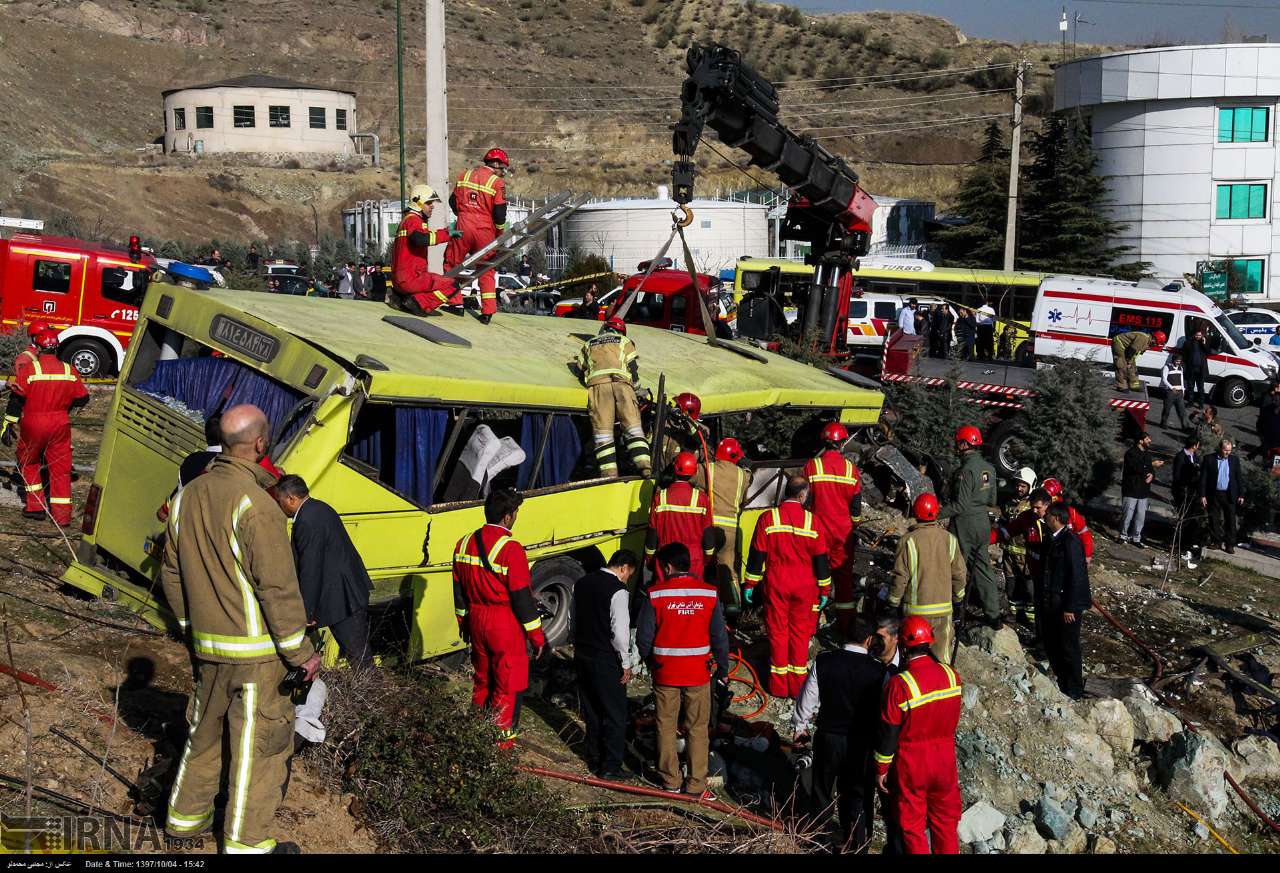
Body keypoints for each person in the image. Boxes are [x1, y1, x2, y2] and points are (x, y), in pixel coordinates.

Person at [160, 404, 321, 854]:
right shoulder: (258, 506)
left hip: (208, 650)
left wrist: (193, 628)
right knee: (259, 754)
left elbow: (170, 576)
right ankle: (247, 844)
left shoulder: (186, 496)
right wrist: (301, 654)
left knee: (203, 739)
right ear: (260, 444)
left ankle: (183, 823)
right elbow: (278, 588)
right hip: (256, 659)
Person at [452, 488, 547, 748]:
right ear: (507, 517)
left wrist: (464, 623)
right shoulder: (511, 550)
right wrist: (537, 637)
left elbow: (458, 591)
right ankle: (498, 751)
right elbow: (522, 599)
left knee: (482, 680)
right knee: (506, 686)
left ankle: (474, 735)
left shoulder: (463, 542)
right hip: (503, 625)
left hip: (476, 620)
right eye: (515, 512)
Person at [635, 542, 730, 799]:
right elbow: (719, 637)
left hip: (666, 673)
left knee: (665, 725)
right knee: (698, 728)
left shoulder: (656, 594)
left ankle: (670, 780)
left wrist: (651, 662)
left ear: (667, 567)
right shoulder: (709, 594)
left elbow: (644, 638)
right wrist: (722, 669)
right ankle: (697, 784)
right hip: (699, 674)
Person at [792, 615, 889, 853]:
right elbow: (884, 711)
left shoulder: (824, 661)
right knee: (857, 793)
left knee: (822, 789)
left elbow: (807, 700)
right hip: (861, 740)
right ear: (868, 639)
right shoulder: (878, 671)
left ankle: (817, 841)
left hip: (828, 735)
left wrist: (800, 727)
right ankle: (856, 844)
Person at [874, 616, 962, 855]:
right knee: (946, 822)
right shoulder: (952, 675)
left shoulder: (900, 684)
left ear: (903, 646)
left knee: (912, 826)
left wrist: (882, 769)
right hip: (944, 760)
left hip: (912, 763)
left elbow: (888, 731)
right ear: (930, 643)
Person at [743, 475, 833, 699]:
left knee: (777, 633)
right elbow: (822, 561)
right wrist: (824, 590)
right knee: (801, 635)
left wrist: (750, 584)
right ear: (802, 495)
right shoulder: (813, 522)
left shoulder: (768, 518)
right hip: (805, 587)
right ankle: (797, 687)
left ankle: (779, 686)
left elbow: (757, 556)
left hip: (776, 585)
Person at [273, 475, 374, 670]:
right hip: (346, 591)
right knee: (358, 654)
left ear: (291, 498)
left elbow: (311, 569)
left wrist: (306, 612)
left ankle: (372, 695)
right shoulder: (318, 508)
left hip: (342, 597)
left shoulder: (307, 521)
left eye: (280, 501)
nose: (279, 506)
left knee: (359, 658)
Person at [3, 330, 89, 525]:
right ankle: (62, 517)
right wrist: (63, 404)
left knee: (29, 462)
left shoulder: (30, 369)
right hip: (60, 423)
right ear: (56, 347)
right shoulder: (69, 370)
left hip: (34, 422)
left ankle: (35, 508)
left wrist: (8, 424)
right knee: (60, 468)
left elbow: (17, 399)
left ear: (39, 348)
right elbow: (83, 398)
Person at [572, 550, 640, 779]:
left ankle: (593, 756)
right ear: (624, 567)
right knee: (615, 713)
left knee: (591, 710)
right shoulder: (618, 591)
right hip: (605, 657)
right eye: (629, 574)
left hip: (582, 653)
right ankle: (610, 765)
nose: (627, 578)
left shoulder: (581, 582)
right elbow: (620, 633)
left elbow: (573, 617)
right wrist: (626, 662)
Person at [888, 494, 967, 665]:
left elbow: (900, 576)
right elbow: (959, 574)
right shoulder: (950, 540)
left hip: (916, 614)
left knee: (913, 661)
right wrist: (959, 600)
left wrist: (893, 603)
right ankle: (944, 687)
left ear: (915, 512)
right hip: (943, 613)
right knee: (942, 661)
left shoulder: (908, 541)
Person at [937, 426, 1001, 629]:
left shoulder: (965, 471)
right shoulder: (989, 469)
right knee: (983, 568)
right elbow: (992, 499)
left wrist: (935, 514)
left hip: (964, 523)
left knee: (956, 568)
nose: (957, 446)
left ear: (965, 444)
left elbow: (960, 505)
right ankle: (993, 615)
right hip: (983, 522)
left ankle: (952, 611)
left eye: (958, 443)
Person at [803, 422, 863, 633]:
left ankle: (809, 627)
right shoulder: (851, 470)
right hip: (842, 533)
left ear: (824, 441)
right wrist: (853, 524)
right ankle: (846, 628)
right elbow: (855, 507)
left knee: (813, 579)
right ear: (842, 443)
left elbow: (805, 500)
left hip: (816, 532)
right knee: (844, 580)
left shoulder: (812, 466)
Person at [578, 318, 651, 478]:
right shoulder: (625, 341)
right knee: (632, 426)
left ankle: (609, 474)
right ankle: (645, 466)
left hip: (598, 388)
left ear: (605, 329)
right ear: (622, 331)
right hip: (622, 385)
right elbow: (633, 368)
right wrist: (637, 388)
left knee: (603, 432)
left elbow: (580, 368)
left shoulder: (589, 343)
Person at [445, 147, 510, 324]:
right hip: (485, 230)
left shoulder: (464, 175)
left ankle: (455, 303)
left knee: (452, 263)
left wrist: (465, 215)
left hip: (463, 224)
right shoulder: (497, 183)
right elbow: (499, 214)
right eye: (503, 167)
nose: (503, 171)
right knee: (486, 268)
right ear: (495, 164)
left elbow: (452, 201)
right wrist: (499, 233)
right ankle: (487, 311)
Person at [691, 437, 753, 610]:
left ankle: (697, 605)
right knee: (728, 571)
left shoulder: (707, 469)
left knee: (700, 565)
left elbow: (689, 475)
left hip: (708, 528)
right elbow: (750, 476)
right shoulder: (743, 475)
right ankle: (733, 607)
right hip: (730, 531)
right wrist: (744, 462)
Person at [1040, 504, 1092, 700]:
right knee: (1053, 643)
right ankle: (1063, 682)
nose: (1044, 517)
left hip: (1066, 605)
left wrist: (1071, 606)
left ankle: (1074, 689)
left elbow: (1077, 576)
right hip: (1053, 602)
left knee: (1069, 647)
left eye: (1048, 514)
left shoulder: (1070, 542)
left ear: (1056, 518)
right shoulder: (1053, 540)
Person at [390, 184, 463, 315]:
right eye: (429, 203)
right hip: (411, 278)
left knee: (433, 281)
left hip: (400, 280)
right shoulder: (414, 220)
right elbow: (419, 239)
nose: (432, 206)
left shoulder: (406, 221)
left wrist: (445, 232)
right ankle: (417, 303)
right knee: (453, 285)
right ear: (418, 203)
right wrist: (447, 234)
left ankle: (402, 298)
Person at [645, 451, 715, 582]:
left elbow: (652, 533)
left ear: (674, 469)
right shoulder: (701, 498)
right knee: (693, 599)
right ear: (694, 472)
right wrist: (707, 559)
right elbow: (708, 534)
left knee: (664, 599)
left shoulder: (660, 497)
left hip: (666, 560)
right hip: (693, 560)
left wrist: (650, 559)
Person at [1000, 467, 1037, 626]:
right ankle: (1014, 614)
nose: (1019, 488)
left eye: (1023, 486)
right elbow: (1003, 522)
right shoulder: (1009, 503)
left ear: (1030, 486)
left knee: (1030, 589)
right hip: (1009, 555)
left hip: (1026, 557)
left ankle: (1033, 620)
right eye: (1018, 485)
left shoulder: (1032, 506)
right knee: (1011, 587)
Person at [1200, 437, 1244, 553]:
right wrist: (1203, 495)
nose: (1227, 453)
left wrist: (1241, 494)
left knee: (1230, 520)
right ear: (1220, 448)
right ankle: (1216, 542)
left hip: (1229, 494)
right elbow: (1203, 478)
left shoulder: (1234, 460)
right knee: (1213, 518)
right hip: (1214, 494)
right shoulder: (1209, 459)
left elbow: (1238, 478)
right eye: (1225, 450)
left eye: (1229, 450)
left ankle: (1230, 544)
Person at [1120, 433, 1163, 548]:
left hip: (1143, 491)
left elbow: (1149, 469)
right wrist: (1151, 465)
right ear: (1140, 441)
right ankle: (1123, 535)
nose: (1150, 441)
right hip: (1131, 489)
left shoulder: (1147, 454)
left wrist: (1151, 474)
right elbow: (1136, 467)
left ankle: (1136, 537)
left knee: (1140, 516)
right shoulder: (1130, 453)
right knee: (1127, 514)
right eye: (1147, 439)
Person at [1171, 435, 1203, 568]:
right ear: (1194, 445)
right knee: (1184, 518)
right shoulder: (1180, 457)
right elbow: (1177, 475)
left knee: (1190, 518)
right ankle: (1179, 543)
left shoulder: (1195, 457)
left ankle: (1187, 543)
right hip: (1182, 491)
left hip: (1192, 493)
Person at [1160, 352, 1190, 430]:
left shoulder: (1181, 368)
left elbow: (1181, 380)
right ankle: (1163, 423)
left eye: (1179, 361)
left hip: (1179, 392)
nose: (1178, 362)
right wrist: (1171, 387)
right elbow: (1164, 379)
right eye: (1177, 361)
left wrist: (1183, 390)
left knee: (1182, 410)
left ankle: (1185, 426)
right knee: (1167, 409)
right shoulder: (1167, 367)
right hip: (1170, 392)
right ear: (1173, 360)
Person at [1182, 323, 1209, 407]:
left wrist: (1204, 343)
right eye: (1197, 335)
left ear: (1202, 335)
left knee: (1201, 388)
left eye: (1199, 335)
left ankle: (1201, 403)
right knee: (1190, 387)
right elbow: (1184, 355)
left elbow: (1208, 352)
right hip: (1191, 369)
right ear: (1194, 335)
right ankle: (1190, 402)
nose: (1198, 336)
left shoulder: (1203, 343)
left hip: (1200, 370)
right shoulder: (1188, 343)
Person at [1258, 380, 1280, 458]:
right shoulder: (1266, 398)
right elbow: (1264, 414)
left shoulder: (1276, 396)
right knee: (1268, 447)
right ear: (1275, 388)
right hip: (1266, 426)